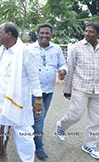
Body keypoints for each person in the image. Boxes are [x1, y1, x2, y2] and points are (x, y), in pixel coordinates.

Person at [0, 22, 42, 162]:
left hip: (18, 101)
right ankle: (2, 155)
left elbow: (34, 78)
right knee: (0, 130)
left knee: (23, 133)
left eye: (0, 33)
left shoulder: (25, 52)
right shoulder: (2, 50)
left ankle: (28, 160)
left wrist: (38, 100)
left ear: (9, 34)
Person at [56, 22, 99, 160]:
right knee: (75, 115)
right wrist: (67, 89)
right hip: (81, 88)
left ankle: (89, 145)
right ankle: (61, 126)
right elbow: (71, 68)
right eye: (86, 31)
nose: (87, 34)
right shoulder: (76, 48)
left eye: (91, 32)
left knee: (96, 120)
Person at [28, 23, 67, 159]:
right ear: (37, 34)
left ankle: (30, 136)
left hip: (49, 90)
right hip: (34, 91)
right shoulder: (30, 48)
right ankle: (38, 147)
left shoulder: (56, 49)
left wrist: (63, 70)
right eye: (42, 33)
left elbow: (63, 63)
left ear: (51, 34)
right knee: (39, 118)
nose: (44, 36)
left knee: (40, 117)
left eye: (47, 33)